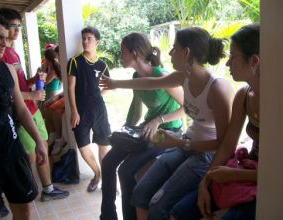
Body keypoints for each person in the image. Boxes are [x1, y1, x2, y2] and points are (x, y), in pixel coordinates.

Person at [100, 27, 234, 220]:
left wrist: (179, 142)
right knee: (140, 193)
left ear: (186, 52)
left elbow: (223, 144)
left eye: (174, 48)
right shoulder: (184, 77)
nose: (169, 53)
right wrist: (115, 83)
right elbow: (149, 83)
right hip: (183, 145)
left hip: (202, 155)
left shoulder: (218, 89)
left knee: (157, 204)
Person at [168, 24, 260, 220]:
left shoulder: (276, 104)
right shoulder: (243, 95)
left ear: (253, 61)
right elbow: (228, 144)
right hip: (247, 170)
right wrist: (206, 180)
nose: (227, 64)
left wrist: (234, 175)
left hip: (263, 179)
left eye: (233, 57)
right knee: (178, 212)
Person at [100, 32, 185, 220]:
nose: (120, 56)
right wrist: (123, 133)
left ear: (135, 53)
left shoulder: (161, 75)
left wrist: (158, 120)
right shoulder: (135, 76)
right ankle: (107, 215)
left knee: (126, 170)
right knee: (108, 162)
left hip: (168, 133)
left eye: (123, 52)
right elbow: (136, 110)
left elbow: (187, 108)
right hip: (146, 131)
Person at [0, 7, 69, 202]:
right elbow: (4, 93)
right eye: (12, 26)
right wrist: (32, 94)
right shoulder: (0, 56)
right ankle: (18, 193)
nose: (17, 30)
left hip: (32, 108)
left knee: (42, 146)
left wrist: (34, 80)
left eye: (19, 26)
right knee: (28, 154)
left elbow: (19, 83)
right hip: (19, 112)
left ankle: (48, 188)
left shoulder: (13, 54)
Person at [0, 11, 47, 219]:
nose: (4, 43)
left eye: (5, 38)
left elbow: (21, 109)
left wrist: (39, 142)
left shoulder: (7, 70)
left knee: (23, 207)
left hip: (11, 150)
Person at [67, 26, 111, 192]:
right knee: (83, 145)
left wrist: (98, 97)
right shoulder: (74, 62)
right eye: (83, 38)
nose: (85, 41)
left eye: (89, 39)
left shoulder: (102, 64)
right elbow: (70, 88)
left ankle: (107, 180)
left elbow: (109, 86)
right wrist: (74, 111)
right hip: (80, 111)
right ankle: (97, 173)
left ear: (97, 42)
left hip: (99, 110)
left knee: (103, 144)